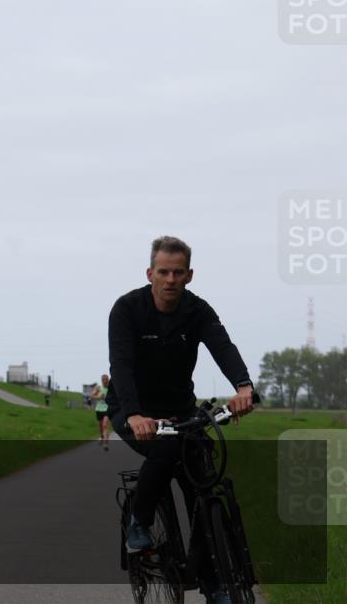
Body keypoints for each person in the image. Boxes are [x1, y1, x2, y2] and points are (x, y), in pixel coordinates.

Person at [107, 236, 254, 604]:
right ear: (150, 273)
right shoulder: (127, 309)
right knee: (166, 448)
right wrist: (136, 413)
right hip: (132, 408)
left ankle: (215, 583)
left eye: (178, 272)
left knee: (201, 484)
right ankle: (139, 521)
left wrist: (243, 386)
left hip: (181, 409)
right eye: (163, 272)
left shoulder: (197, 310)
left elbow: (222, 346)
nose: (170, 279)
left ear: (189, 275)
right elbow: (121, 365)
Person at [89, 374, 111, 451]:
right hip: (99, 409)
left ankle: (106, 443)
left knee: (105, 425)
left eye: (106, 379)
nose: (105, 381)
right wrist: (99, 397)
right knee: (100, 426)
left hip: (107, 409)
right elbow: (91, 396)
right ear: (101, 380)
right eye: (103, 380)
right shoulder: (98, 387)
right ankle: (102, 437)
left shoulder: (111, 388)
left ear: (108, 379)